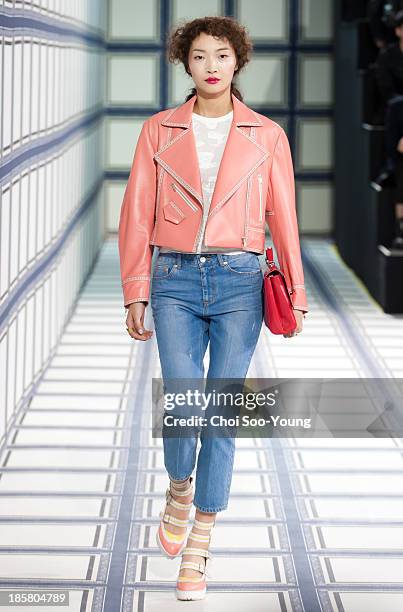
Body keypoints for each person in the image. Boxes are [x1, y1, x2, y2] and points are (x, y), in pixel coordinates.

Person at [118, 16, 308, 601]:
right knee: (183, 401)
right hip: (174, 277)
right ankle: (179, 485)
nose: (211, 66)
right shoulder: (158, 131)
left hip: (240, 281)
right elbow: (136, 211)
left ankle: (200, 541)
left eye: (221, 56)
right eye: (199, 57)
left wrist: (296, 291)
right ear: (186, 64)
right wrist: (136, 288)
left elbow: (284, 217)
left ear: (237, 62)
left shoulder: (266, 135)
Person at [373, 9, 403, 247]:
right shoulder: (388, 56)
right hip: (395, 112)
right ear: (398, 30)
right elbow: (387, 90)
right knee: (396, 106)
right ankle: (391, 165)